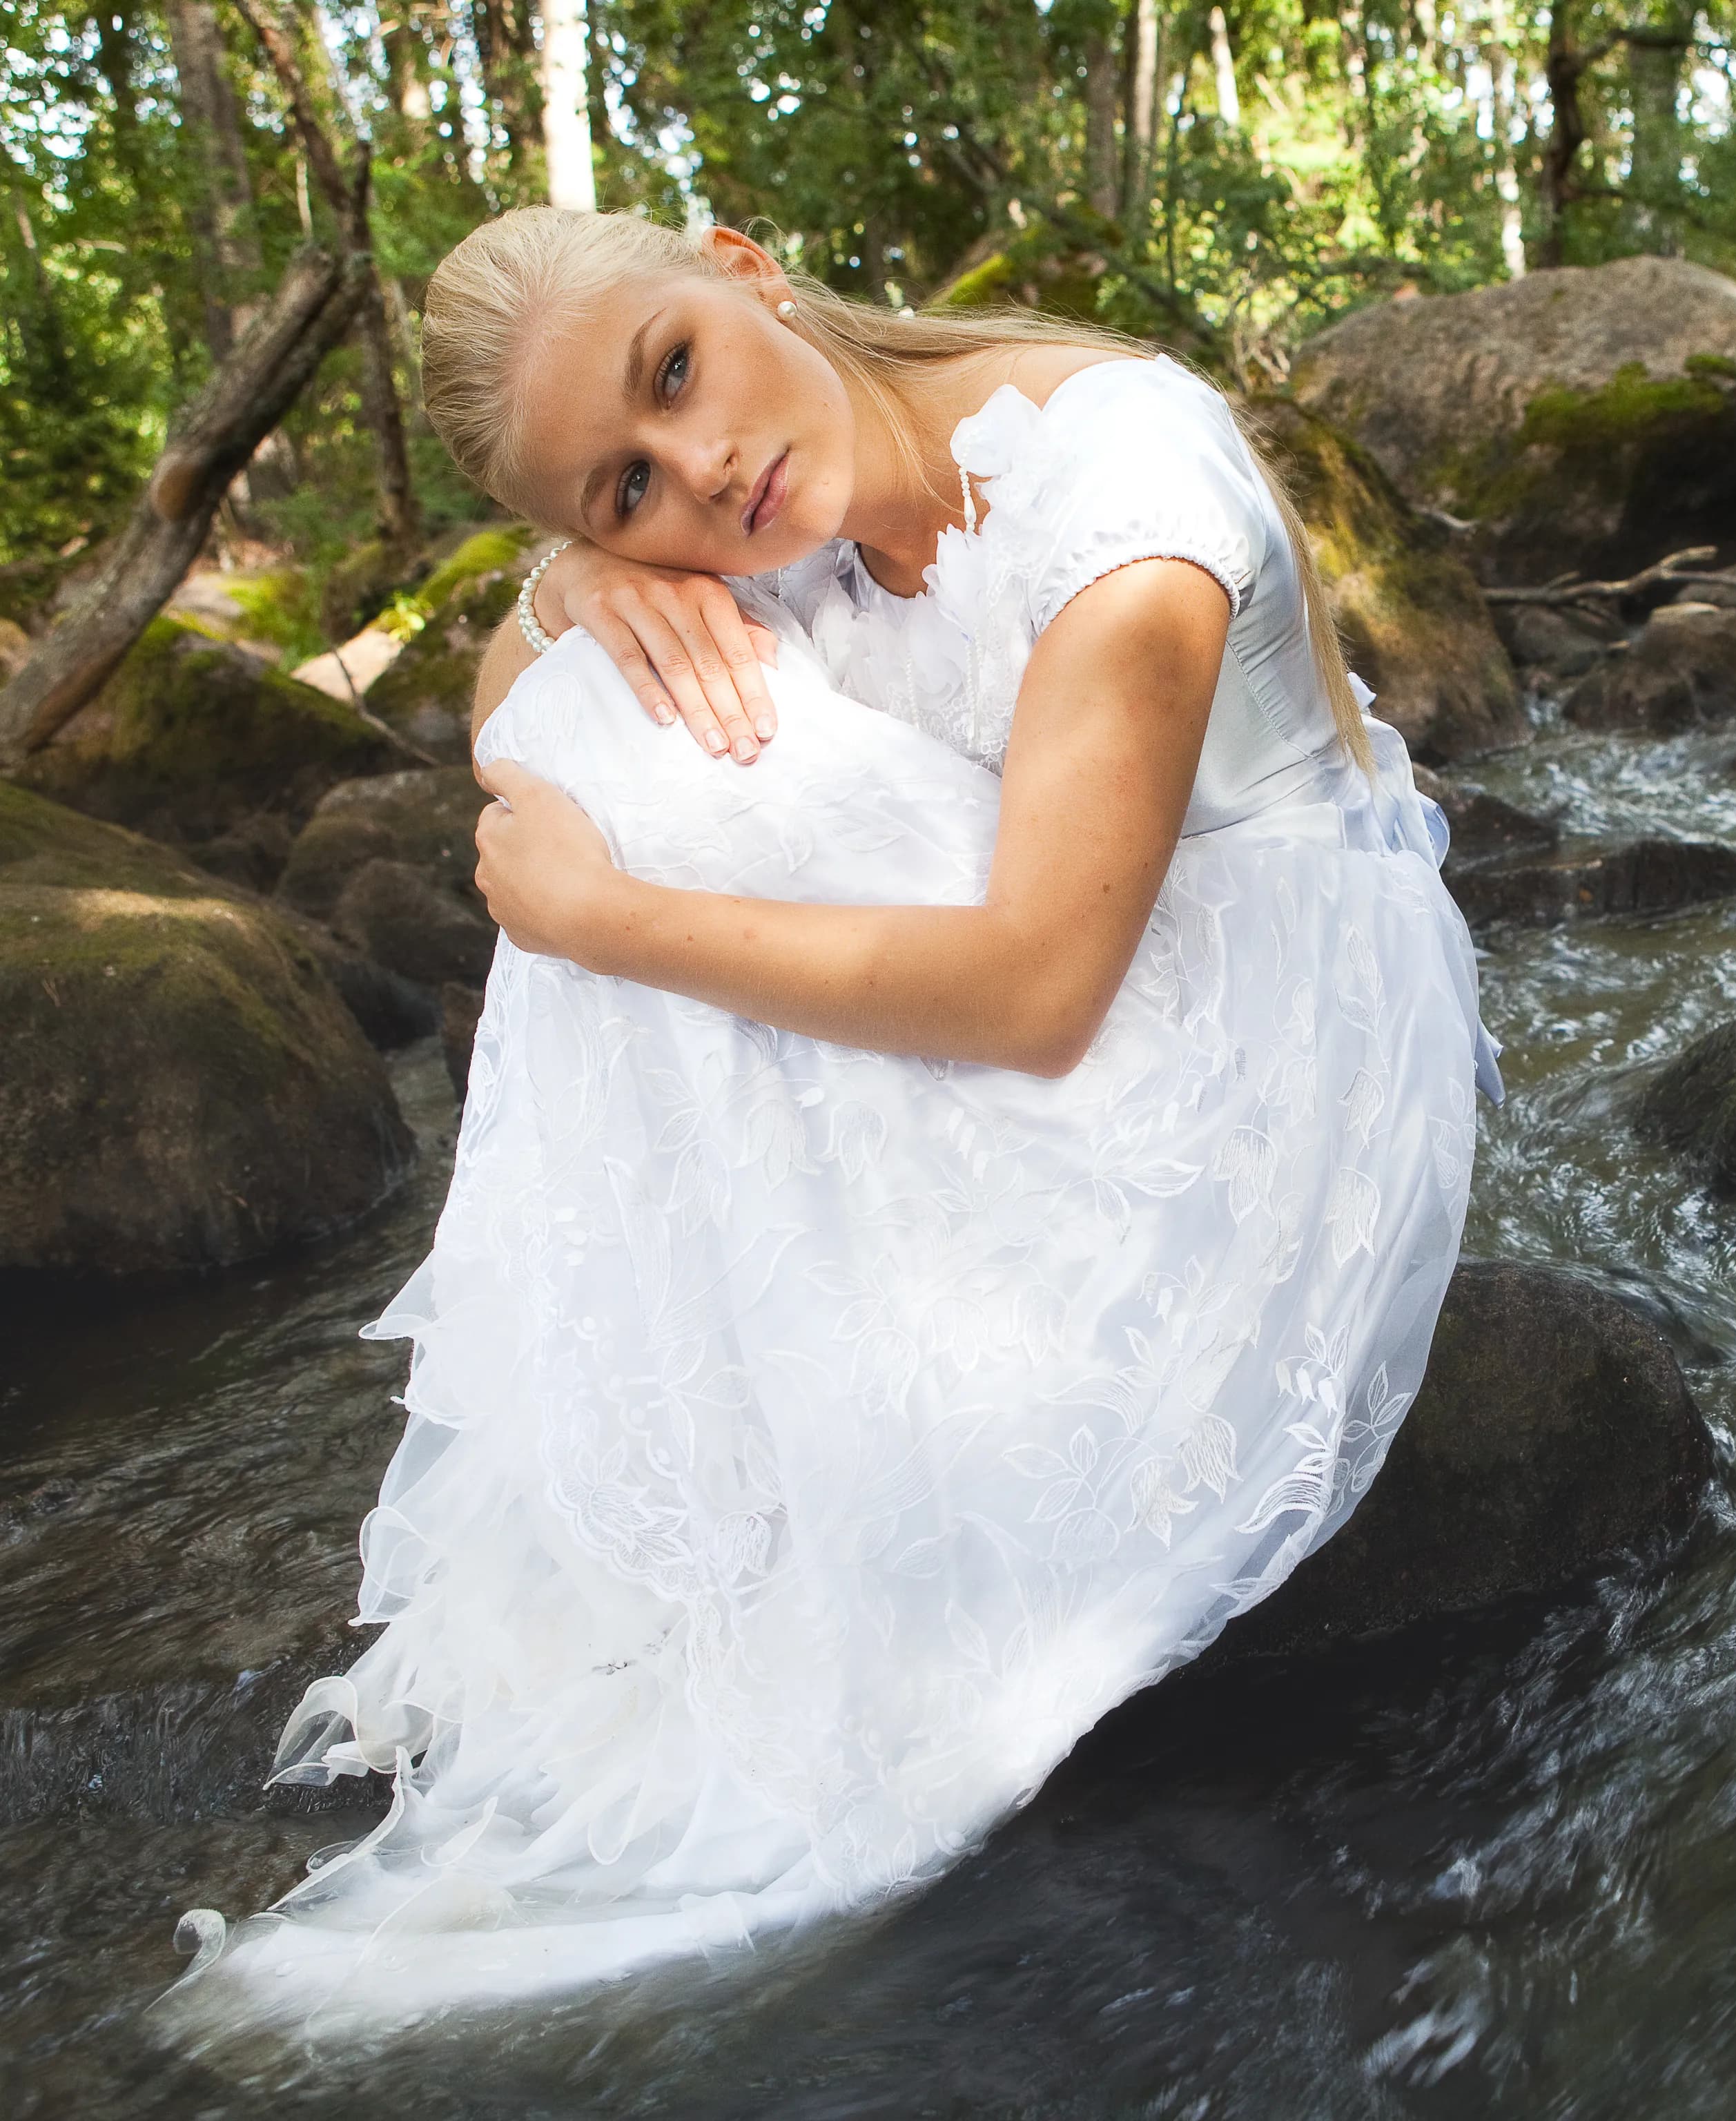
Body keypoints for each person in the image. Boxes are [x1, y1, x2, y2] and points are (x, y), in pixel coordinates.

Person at [159, 207, 1499, 2031]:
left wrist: (603, 922)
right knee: (619, 745)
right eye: (623, 488)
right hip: (1056, 977)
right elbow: (521, 716)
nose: (703, 473)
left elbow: (1038, 994)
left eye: (678, 370)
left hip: (1240, 1031)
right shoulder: (777, 512)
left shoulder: (1121, 493)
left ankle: (808, 1465)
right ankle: (720, 1470)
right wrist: (577, 594)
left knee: (628, 832)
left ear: (744, 266)